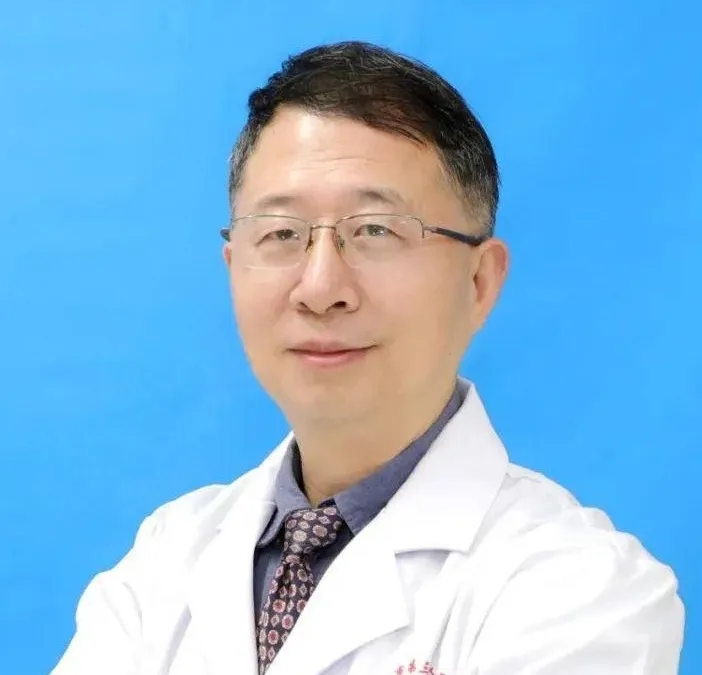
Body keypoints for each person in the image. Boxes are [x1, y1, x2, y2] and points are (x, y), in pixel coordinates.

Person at [51, 41, 685, 675]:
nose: (320, 288)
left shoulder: (586, 590)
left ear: (479, 283)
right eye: (280, 233)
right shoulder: (164, 561)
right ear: (232, 265)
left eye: (376, 231)